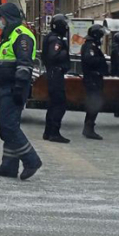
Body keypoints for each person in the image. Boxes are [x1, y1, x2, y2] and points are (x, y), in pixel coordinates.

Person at [0, 2, 42, 181]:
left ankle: (31, 160)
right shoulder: (9, 35)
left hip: (14, 87)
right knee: (8, 126)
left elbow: (24, 63)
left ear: (9, 18)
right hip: (7, 86)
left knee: (9, 127)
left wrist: (19, 87)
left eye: (1, 18)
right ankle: (9, 166)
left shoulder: (21, 35)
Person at [41, 14, 71, 143]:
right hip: (55, 74)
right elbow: (53, 55)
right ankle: (54, 132)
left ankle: (48, 132)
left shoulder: (51, 37)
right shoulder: (56, 40)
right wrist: (64, 52)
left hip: (53, 73)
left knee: (53, 104)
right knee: (59, 104)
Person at [80, 24, 108, 140]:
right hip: (92, 79)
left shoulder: (93, 45)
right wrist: (101, 61)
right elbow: (90, 60)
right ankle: (88, 128)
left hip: (95, 78)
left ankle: (89, 127)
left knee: (94, 104)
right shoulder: (90, 46)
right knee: (93, 104)